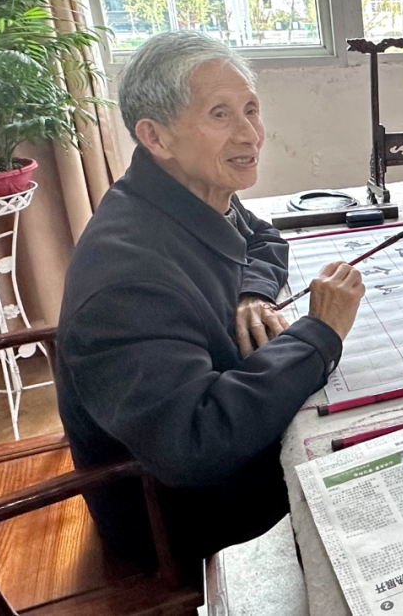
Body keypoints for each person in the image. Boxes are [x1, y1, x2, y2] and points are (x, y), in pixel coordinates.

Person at [55, 31, 365, 571]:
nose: (250, 134)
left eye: (251, 110)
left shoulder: (184, 191)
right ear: (156, 136)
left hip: (220, 443)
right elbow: (192, 444)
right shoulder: (127, 279)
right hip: (182, 518)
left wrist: (252, 293)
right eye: (220, 115)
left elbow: (262, 237)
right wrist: (319, 334)